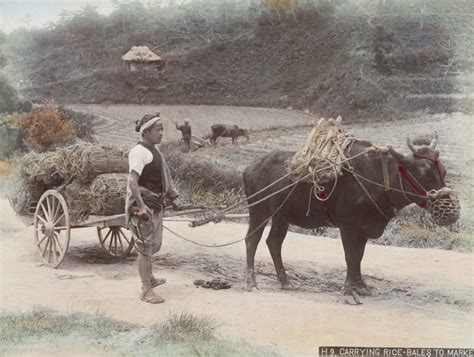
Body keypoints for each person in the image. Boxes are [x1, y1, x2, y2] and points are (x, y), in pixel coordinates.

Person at [125, 113, 182, 304]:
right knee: (144, 248)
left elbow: (165, 177)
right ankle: (146, 290)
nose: (161, 133)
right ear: (146, 131)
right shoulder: (139, 152)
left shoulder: (155, 152)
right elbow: (132, 181)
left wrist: (173, 198)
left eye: (162, 129)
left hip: (155, 205)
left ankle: (150, 278)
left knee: (151, 246)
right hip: (143, 208)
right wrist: (141, 206)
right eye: (158, 130)